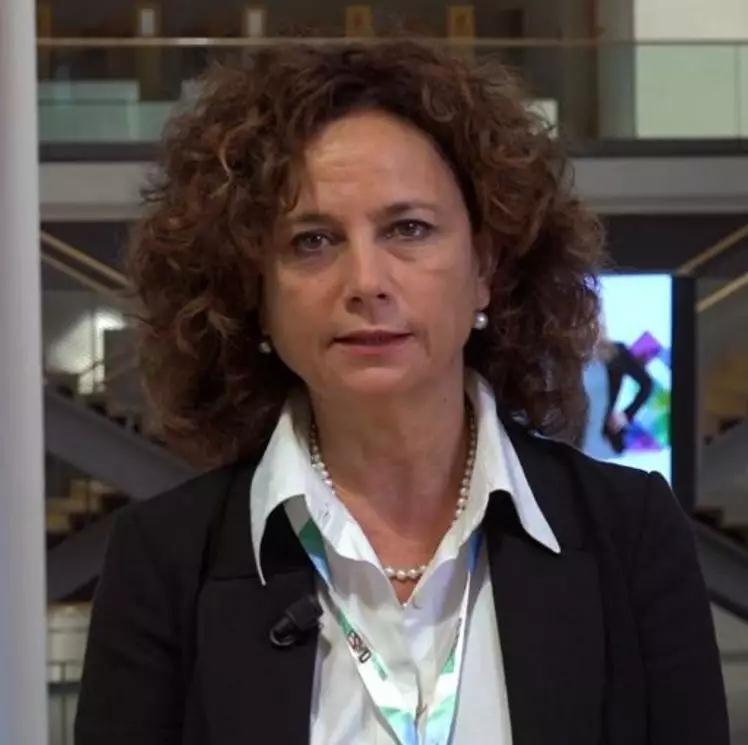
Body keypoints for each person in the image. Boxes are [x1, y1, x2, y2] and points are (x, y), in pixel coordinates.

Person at [75, 41, 728, 745]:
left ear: (484, 268)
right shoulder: (164, 561)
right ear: (255, 292)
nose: (366, 282)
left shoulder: (630, 534)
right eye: (313, 240)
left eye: (408, 229)